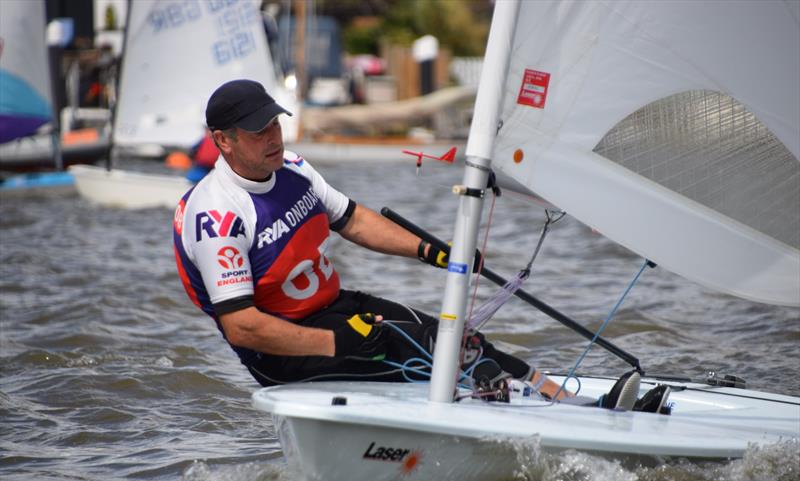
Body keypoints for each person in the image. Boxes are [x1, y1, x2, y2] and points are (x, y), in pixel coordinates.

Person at [172, 79, 670, 413]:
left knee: (456, 339)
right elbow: (242, 326)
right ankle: (531, 412)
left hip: (332, 309)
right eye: (258, 132)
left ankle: (574, 405)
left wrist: (435, 252)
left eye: (275, 125)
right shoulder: (217, 215)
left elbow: (355, 220)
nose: (274, 137)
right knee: (421, 352)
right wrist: (336, 343)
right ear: (224, 141)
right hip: (284, 347)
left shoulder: (295, 169)